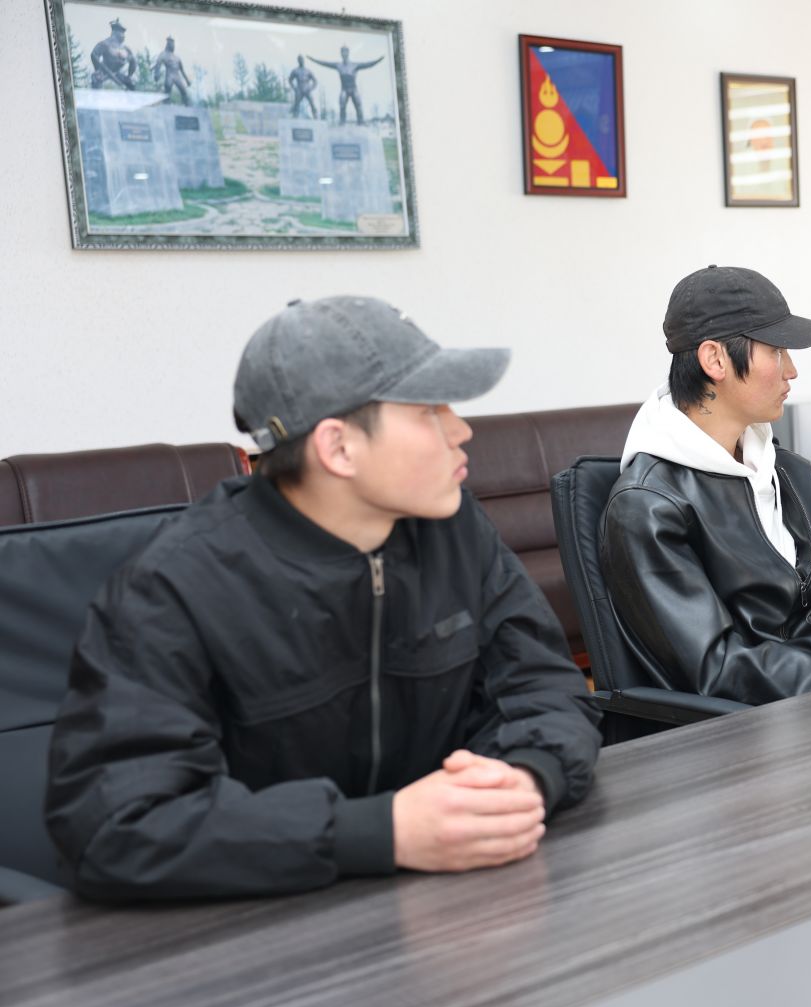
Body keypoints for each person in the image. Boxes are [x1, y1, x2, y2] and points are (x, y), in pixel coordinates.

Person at [46, 296, 601, 901]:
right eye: (428, 410)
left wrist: (524, 777)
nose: (460, 429)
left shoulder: (452, 530)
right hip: (257, 927)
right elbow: (116, 824)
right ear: (338, 448)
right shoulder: (172, 587)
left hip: (452, 903)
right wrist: (379, 832)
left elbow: (544, 687)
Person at [601, 265, 811, 705]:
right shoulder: (647, 505)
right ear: (715, 360)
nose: (792, 370)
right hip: (759, 724)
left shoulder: (790, 473)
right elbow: (718, 670)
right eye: (777, 352)